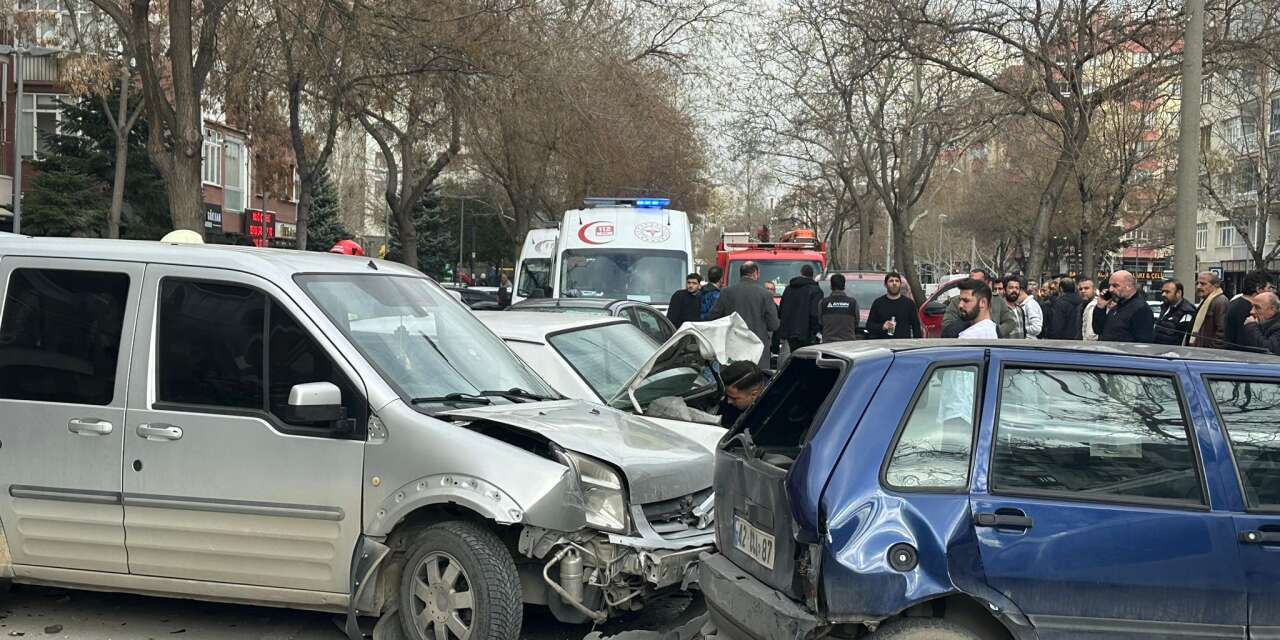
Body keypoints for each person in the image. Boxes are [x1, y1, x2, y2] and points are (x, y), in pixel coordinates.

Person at [710, 261, 781, 368]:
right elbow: (773, 325)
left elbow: (713, 317)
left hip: (732, 348)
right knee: (757, 381)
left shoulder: (726, 292)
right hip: (758, 350)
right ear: (755, 274)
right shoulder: (765, 294)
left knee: (733, 380)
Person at [944, 269, 1016, 337]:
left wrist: (995, 332)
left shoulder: (997, 300)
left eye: (978, 282)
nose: (961, 304)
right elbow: (947, 327)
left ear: (987, 283)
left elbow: (1010, 322)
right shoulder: (956, 301)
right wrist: (971, 326)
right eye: (971, 281)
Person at [1094, 271, 1154, 343]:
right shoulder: (1117, 307)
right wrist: (1100, 307)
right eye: (1109, 286)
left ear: (1129, 286)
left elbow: (1144, 342)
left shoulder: (1141, 309)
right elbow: (1098, 330)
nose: (1110, 289)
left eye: (1115, 286)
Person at [1226, 270, 1275, 351]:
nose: (1272, 292)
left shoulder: (1236, 303)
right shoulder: (1246, 309)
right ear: (1259, 289)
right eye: (1269, 288)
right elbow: (1245, 341)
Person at [779, 264, 824, 352]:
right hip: (807, 334)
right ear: (813, 275)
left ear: (801, 273)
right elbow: (814, 314)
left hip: (790, 333)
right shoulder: (816, 290)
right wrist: (816, 331)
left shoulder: (788, 289)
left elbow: (781, 310)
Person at [866, 272, 922, 339]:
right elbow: (869, 326)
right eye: (891, 281)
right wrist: (882, 326)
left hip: (903, 345)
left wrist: (917, 344)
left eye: (897, 281)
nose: (894, 283)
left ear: (900, 284)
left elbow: (916, 327)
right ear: (885, 285)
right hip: (883, 345)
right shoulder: (878, 303)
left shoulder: (909, 304)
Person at [720, 360, 768, 427]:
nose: (729, 401)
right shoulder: (734, 395)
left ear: (754, 394)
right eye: (727, 395)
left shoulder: (765, 417)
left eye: (734, 398)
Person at [1188, 271, 1229, 348]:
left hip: (1207, 354)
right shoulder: (1206, 300)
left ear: (1215, 285)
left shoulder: (1220, 301)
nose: (1198, 287)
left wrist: (1210, 350)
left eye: (1203, 284)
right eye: (1197, 283)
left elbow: (1222, 332)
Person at [1153, 279, 1196, 346]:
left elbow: (1182, 339)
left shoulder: (1187, 311)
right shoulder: (1165, 307)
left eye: (1167, 292)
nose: (1163, 294)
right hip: (1158, 349)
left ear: (1178, 293)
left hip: (1173, 352)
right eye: (1163, 291)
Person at [820, 274, 859, 342]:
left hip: (828, 343)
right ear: (844, 286)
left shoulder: (823, 303)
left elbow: (820, 322)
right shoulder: (853, 303)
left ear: (831, 286)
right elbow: (856, 323)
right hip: (847, 344)